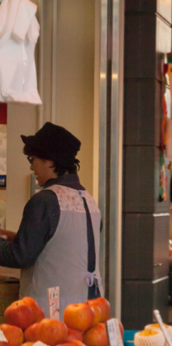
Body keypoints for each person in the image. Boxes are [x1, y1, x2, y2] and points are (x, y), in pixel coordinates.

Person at [0, 123, 103, 310]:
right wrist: (17, 238)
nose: (31, 166)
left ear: (50, 161)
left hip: (50, 313)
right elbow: (60, 246)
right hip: (86, 308)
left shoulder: (45, 200)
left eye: (32, 158)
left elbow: (20, 257)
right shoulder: (89, 200)